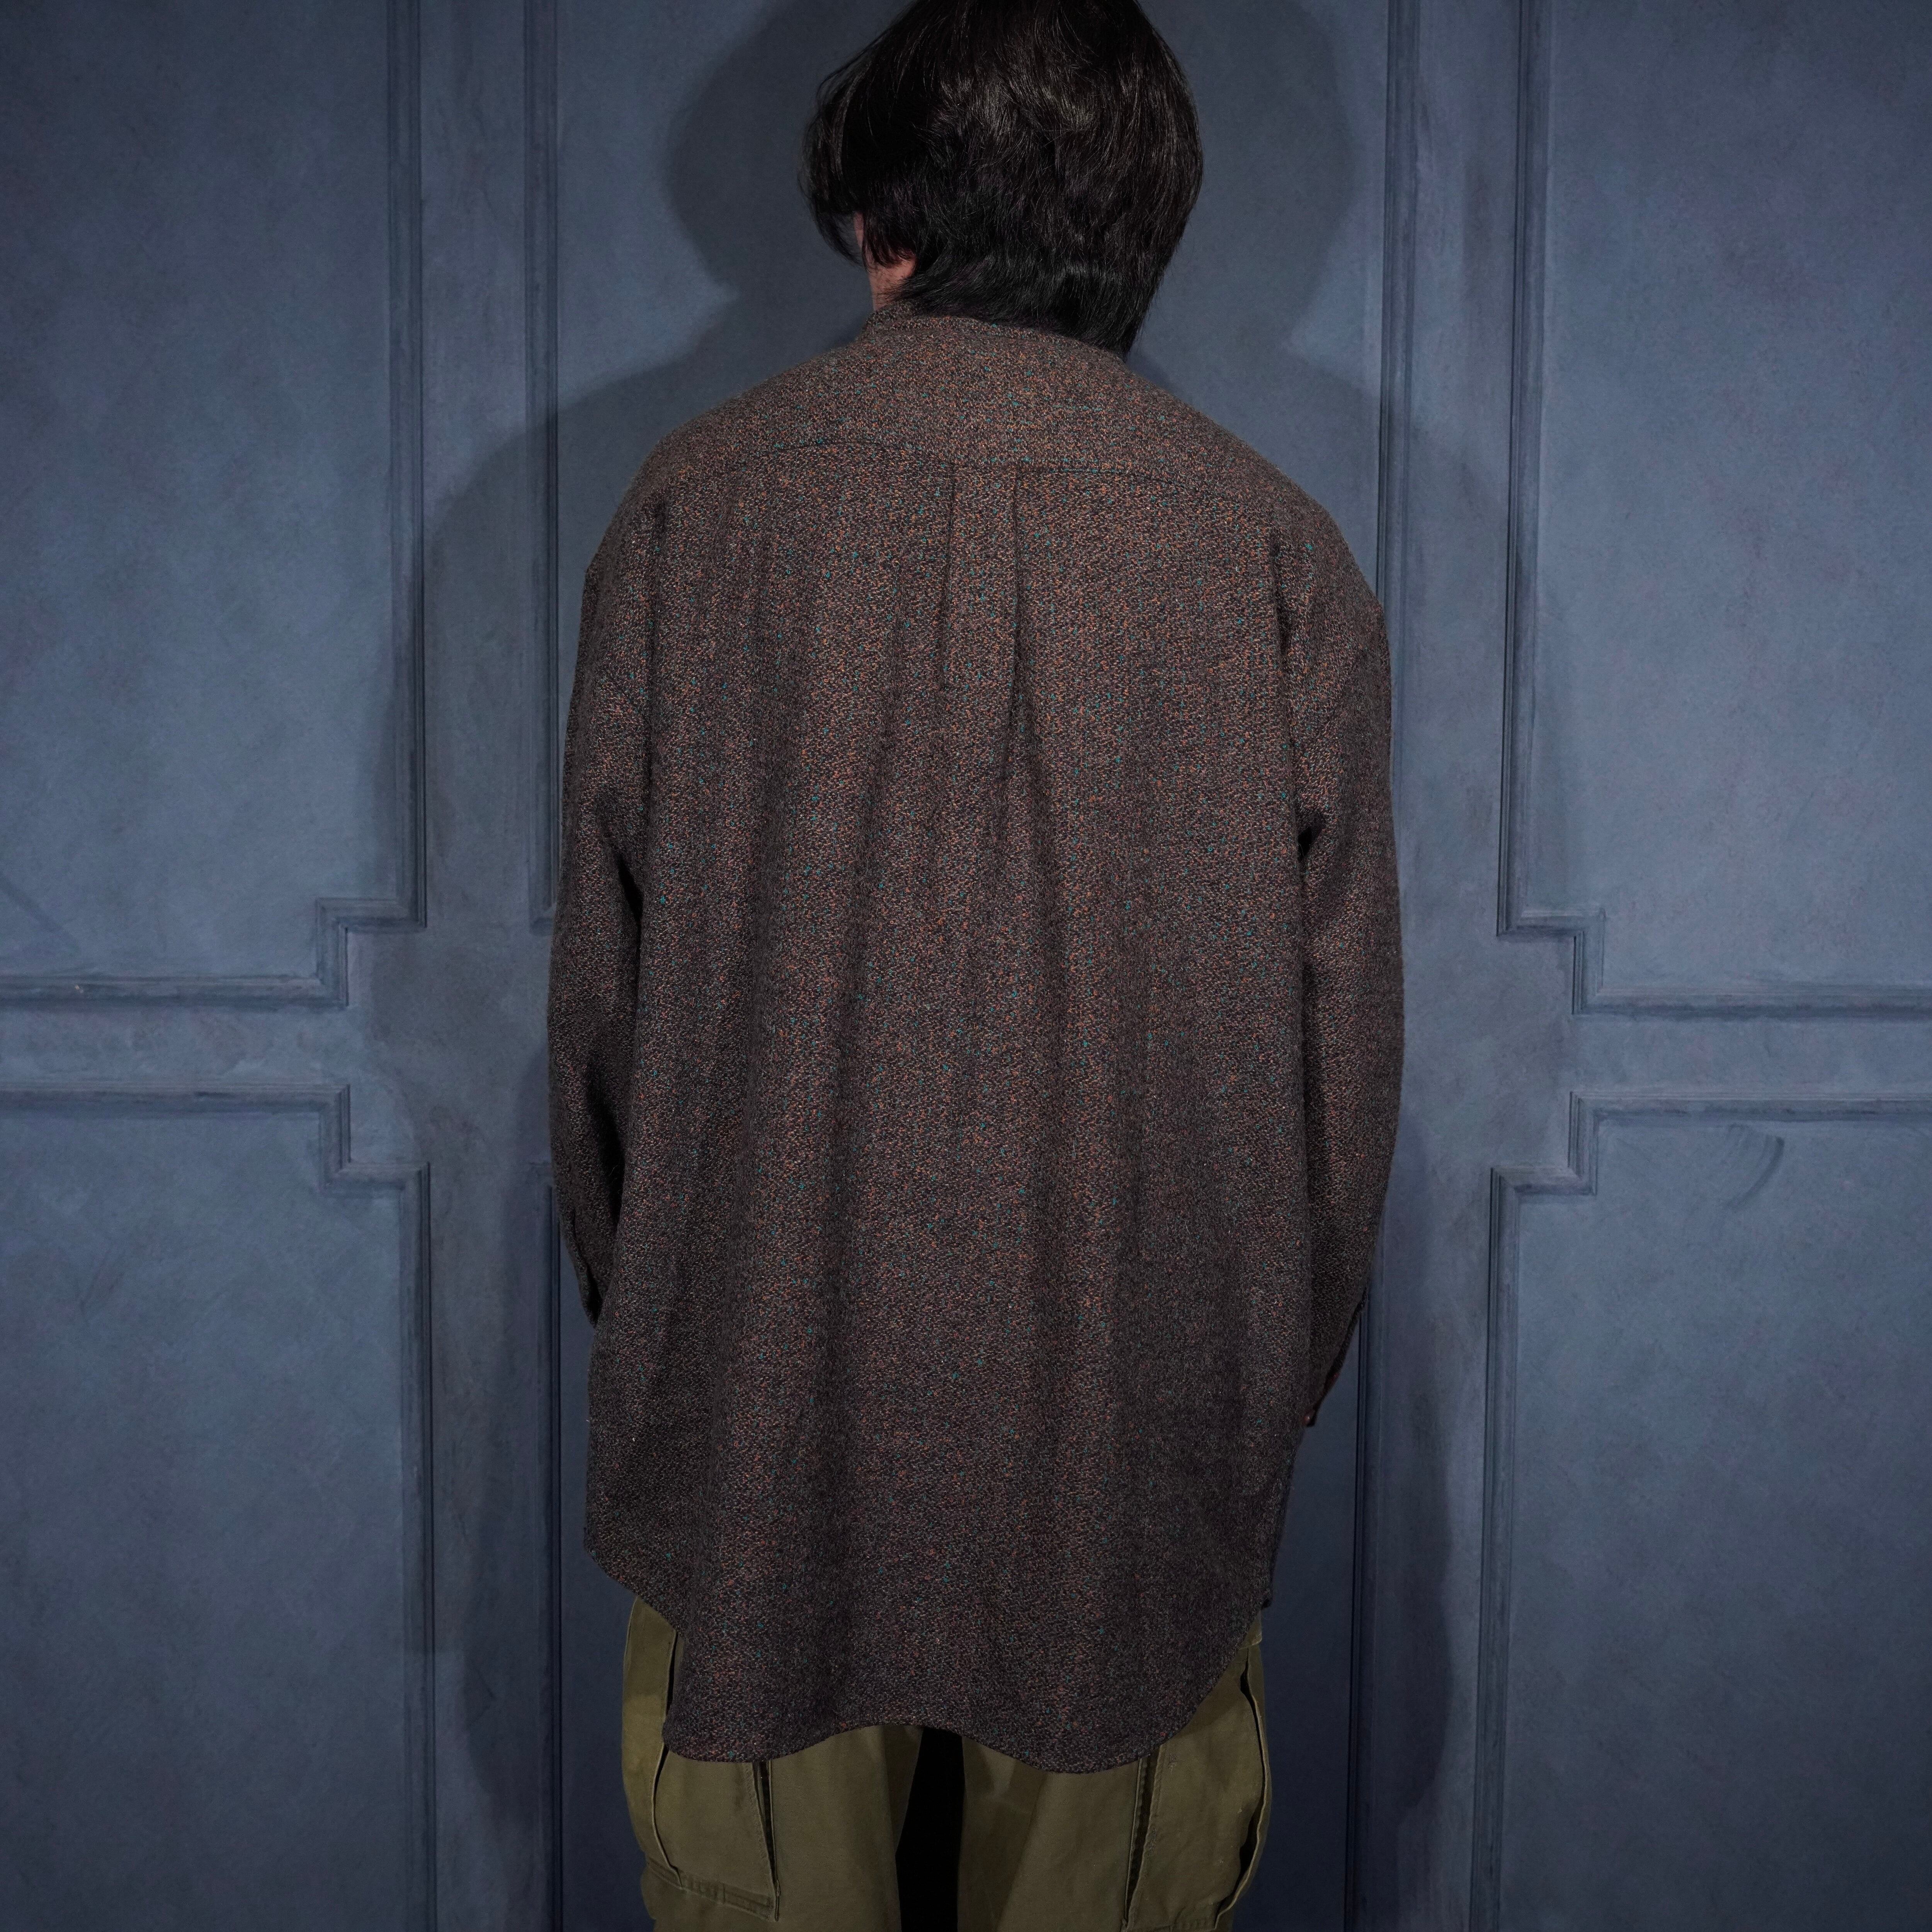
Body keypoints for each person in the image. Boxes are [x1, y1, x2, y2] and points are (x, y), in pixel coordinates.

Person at [546, 1, 1403, 1925]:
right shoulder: (1273, 556)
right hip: (1128, 1456)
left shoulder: (694, 511)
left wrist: (684, 1324)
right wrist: (1226, 1397)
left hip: (760, 1423)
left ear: (884, 224)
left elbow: (599, 1021)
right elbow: (1336, 1095)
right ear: (1140, 237)